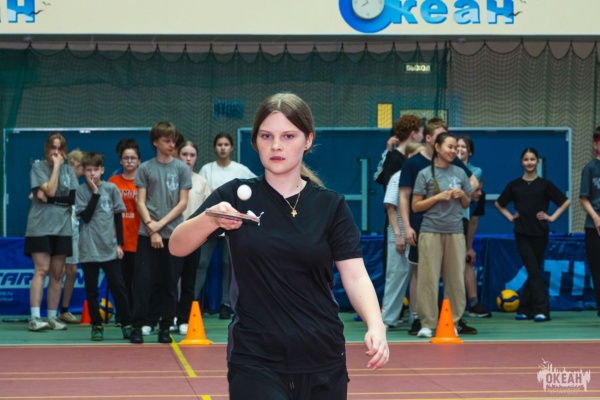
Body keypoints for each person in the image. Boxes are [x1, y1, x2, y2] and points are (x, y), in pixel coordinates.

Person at [169, 93, 389, 399]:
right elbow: (177, 246)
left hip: (323, 355)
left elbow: (355, 276)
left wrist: (376, 325)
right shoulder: (233, 196)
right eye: (266, 136)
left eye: (288, 136)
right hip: (255, 358)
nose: (276, 145)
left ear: (308, 140)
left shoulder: (331, 206)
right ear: (256, 142)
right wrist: (211, 218)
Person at [399, 118, 479, 336]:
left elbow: (467, 203)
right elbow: (415, 205)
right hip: (430, 231)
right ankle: (427, 323)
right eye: (450, 147)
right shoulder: (424, 172)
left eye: (456, 148)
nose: (454, 151)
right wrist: (437, 197)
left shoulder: (459, 172)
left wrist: (462, 195)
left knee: (455, 280)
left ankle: (453, 322)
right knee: (428, 278)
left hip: (455, 232)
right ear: (436, 146)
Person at [129, 121, 192, 344]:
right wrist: (151, 227)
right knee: (143, 282)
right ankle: (137, 326)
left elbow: (182, 203)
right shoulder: (145, 168)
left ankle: (165, 328)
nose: (171, 144)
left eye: (173, 140)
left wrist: (160, 225)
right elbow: (140, 201)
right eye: (166, 140)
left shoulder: (182, 169)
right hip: (147, 235)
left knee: (170, 283)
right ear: (156, 142)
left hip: (173, 235)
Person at [495, 147, 570, 322]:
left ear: (537, 162)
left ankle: (525, 309)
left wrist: (551, 217)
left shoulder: (545, 185)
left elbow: (565, 202)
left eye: (532, 159)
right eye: (526, 159)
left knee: (533, 270)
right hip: (522, 233)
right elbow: (499, 204)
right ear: (522, 162)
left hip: (540, 233)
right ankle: (542, 310)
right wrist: (511, 217)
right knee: (533, 270)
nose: (529, 162)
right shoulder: (514, 185)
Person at [197, 132, 256, 319]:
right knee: (202, 262)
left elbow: (255, 187)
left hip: (233, 225)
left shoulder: (240, 170)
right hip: (210, 224)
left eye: (226, 144)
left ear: (231, 148)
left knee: (227, 263)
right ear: (215, 148)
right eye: (219, 144)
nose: (223, 147)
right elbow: (201, 194)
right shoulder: (206, 169)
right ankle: (193, 303)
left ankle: (225, 303)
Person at [75, 152, 132, 341]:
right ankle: (97, 325)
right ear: (84, 171)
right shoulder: (81, 191)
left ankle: (126, 323)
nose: (92, 173)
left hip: (109, 248)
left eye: (95, 170)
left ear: (102, 170)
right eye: (88, 170)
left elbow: (118, 217)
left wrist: (120, 244)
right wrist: (94, 194)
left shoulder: (111, 188)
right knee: (92, 291)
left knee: (118, 287)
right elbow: (86, 217)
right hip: (89, 249)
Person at [25, 133, 78, 332]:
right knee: (41, 270)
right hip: (40, 227)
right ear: (47, 149)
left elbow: (71, 198)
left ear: (64, 151)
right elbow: (51, 190)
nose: (56, 152)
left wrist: (50, 198)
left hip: (63, 227)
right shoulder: (38, 167)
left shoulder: (69, 171)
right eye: (53, 148)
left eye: (60, 148)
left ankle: (52, 317)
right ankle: (35, 318)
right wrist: (56, 167)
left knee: (57, 274)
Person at [381, 142, 422, 330]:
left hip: (417, 235)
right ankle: (387, 319)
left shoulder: (423, 178)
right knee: (396, 277)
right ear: (409, 157)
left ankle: (416, 317)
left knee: (418, 277)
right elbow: (391, 207)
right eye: (417, 155)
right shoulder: (398, 177)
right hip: (398, 235)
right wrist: (398, 234)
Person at [175, 140, 211, 334]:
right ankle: (169, 316)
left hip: (193, 238)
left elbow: (207, 211)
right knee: (170, 280)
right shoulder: (171, 179)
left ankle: (183, 318)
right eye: (184, 154)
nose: (188, 159)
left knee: (189, 281)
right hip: (172, 236)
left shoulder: (201, 182)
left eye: (192, 155)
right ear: (178, 155)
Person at [456, 136, 491, 318]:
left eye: (464, 147)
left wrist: (469, 246)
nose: (459, 149)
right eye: (456, 146)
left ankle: (474, 303)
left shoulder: (475, 171)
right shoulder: (444, 169)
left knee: (467, 260)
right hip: (444, 223)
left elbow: (474, 220)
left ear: (469, 152)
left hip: (462, 223)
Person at [108, 138, 141, 326]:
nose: (129, 161)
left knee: (139, 283)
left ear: (139, 161)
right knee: (121, 283)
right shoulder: (113, 182)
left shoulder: (143, 182)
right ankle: (123, 317)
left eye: (133, 158)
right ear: (121, 161)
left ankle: (137, 317)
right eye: (126, 158)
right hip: (119, 241)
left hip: (139, 239)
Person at [56, 149, 84, 324]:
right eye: (82, 167)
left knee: (72, 271)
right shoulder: (60, 180)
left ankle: (64, 310)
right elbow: (33, 195)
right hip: (58, 232)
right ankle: (51, 312)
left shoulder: (81, 187)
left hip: (73, 232)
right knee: (57, 272)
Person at [579, 126, 600, 317]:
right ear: (596, 144)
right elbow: (584, 197)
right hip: (594, 227)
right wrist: (596, 217)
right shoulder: (590, 169)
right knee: (597, 269)